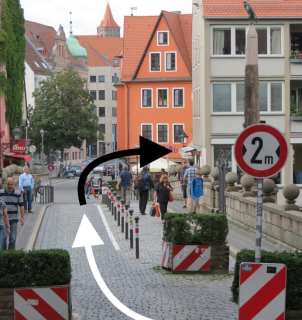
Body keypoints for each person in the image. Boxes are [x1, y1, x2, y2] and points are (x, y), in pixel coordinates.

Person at [0, 177, 24, 250]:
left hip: (14, 219)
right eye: (8, 184)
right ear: (5, 184)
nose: (10, 186)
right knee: (3, 239)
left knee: (13, 238)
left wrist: (22, 217)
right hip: (3, 220)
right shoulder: (1, 193)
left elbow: (21, 205)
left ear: (14, 184)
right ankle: (4, 255)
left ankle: (11, 255)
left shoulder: (18, 193)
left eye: (11, 184)